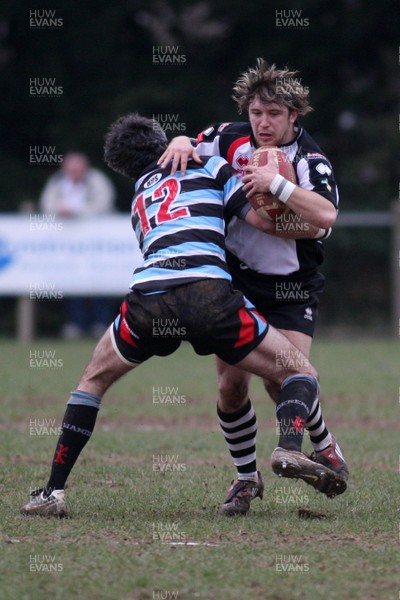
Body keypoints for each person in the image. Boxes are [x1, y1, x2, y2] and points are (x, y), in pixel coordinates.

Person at [20, 113, 343, 518]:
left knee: (91, 382)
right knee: (301, 374)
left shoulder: (139, 195)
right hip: (209, 297)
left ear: (121, 166)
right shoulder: (210, 164)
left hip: (149, 299)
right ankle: (291, 448)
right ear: (164, 141)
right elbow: (261, 220)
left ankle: (52, 492)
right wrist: (316, 229)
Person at [158, 58, 348, 515]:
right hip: (236, 282)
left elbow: (325, 217)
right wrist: (182, 139)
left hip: (291, 288)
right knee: (230, 387)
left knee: (286, 376)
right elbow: (190, 144)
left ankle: (315, 446)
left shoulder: (311, 160)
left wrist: (276, 185)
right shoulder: (227, 136)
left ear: (294, 116)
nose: (263, 123)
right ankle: (247, 478)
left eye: (275, 114)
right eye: (257, 113)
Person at [39, 152, 116, 338]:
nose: (74, 172)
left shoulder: (97, 180)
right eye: (71, 169)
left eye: (77, 168)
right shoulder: (57, 183)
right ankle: (76, 324)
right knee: (71, 281)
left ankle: (101, 323)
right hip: (68, 245)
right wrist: (60, 211)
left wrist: (76, 212)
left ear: (85, 168)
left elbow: (104, 204)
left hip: (98, 244)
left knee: (100, 281)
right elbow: (46, 205)